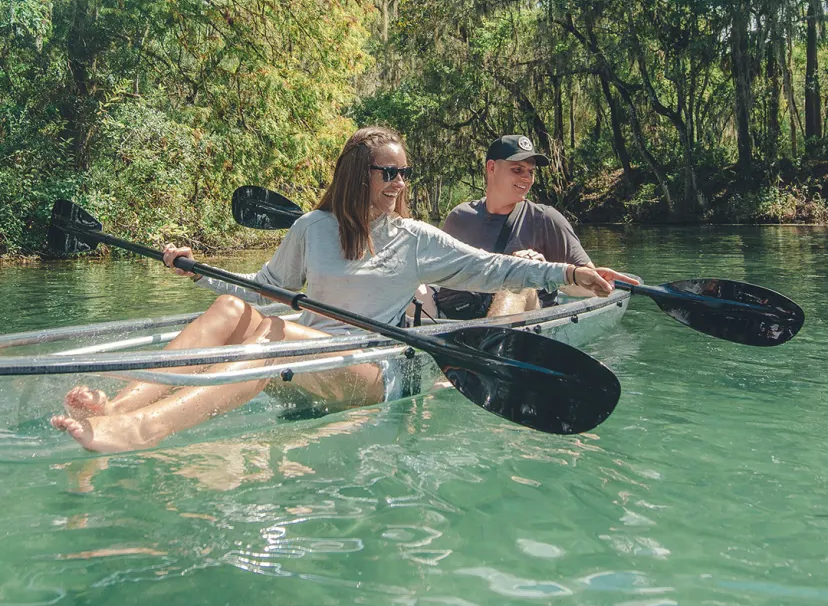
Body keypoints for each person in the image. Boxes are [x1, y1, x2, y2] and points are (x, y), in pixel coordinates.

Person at [50, 126, 617, 455]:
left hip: (374, 371)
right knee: (229, 305)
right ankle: (116, 406)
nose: (399, 184)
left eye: (403, 174)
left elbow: (494, 270)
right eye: (387, 172)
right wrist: (199, 271)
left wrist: (565, 275)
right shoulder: (311, 230)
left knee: (272, 345)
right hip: (308, 352)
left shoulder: (416, 239)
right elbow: (265, 292)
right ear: (357, 174)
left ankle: (139, 430)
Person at [437, 133, 636, 319]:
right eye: (517, 170)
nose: (527, 178)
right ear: (491, 168)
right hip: (461, 313)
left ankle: (492, 343)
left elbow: (582, 285)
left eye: (531, 172)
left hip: (519, 316)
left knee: (519, 278)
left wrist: (541, 270)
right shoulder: (460, 217)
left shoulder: (546, 219)